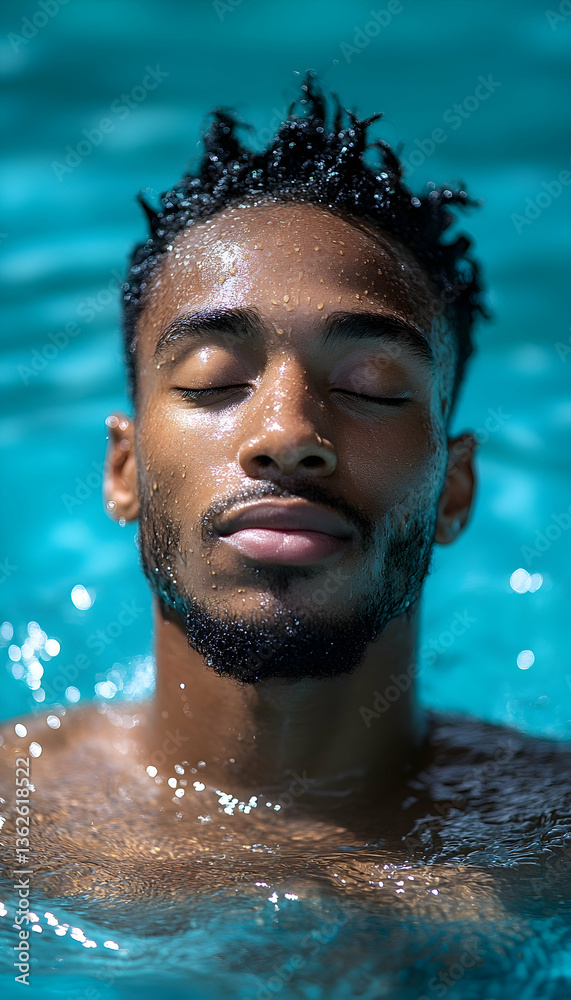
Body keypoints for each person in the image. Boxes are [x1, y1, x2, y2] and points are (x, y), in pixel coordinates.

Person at [0, 78, 568, 917]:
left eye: (372, 386)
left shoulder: (551, 850)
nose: (287, 431)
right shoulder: (15, 827)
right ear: (122, 470)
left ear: (454, 489)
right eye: (214, 379)